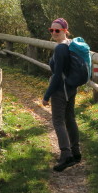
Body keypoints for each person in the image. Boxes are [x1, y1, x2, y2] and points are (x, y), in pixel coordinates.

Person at [42, 17, 81, 172]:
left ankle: (66, 154)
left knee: (58, 121)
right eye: (51, 30)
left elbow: (57, 75)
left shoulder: (60, 48)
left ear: (65, 30)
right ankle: (76, 152)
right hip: (71, 87)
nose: (54, 33)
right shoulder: (70, 44)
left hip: (61, 89)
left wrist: (47, 95)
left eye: (57, 30)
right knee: (70, 118)